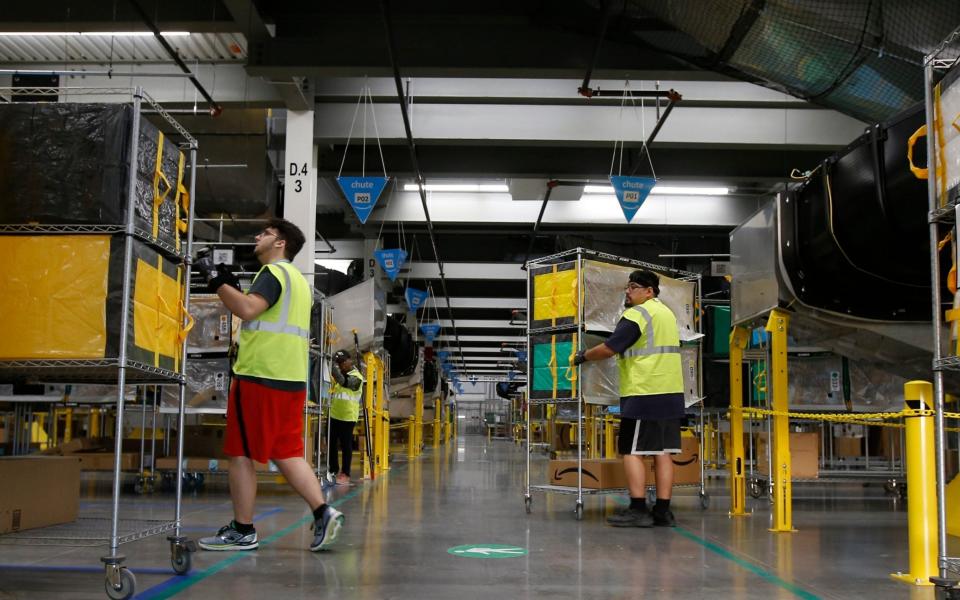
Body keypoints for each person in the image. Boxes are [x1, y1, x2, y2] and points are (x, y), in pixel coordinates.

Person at [196, 218, 344, 552]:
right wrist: (229, 285)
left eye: (265, 233)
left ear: (280, 244)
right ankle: (323, 511)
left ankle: (243, 529)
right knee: (287, 451)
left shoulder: (273, 274)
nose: (257, 236)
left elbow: (248, 310)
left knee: (241, 454)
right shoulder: (298, 282)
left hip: (260, 377)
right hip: (290, 379)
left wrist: (215, 280)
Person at [574, 269, 684, 528]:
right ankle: (662, 511)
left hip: (644, 392)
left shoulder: (637, 314)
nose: (628, 291)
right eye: (628, 286)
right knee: (663, 452)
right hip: (671, 392)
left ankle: (637, 509)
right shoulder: (667, 314)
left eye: (633, 287)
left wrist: (584, 355)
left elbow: (611, 347)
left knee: (632, 451)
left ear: (649, 291)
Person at [328, 349, 364, 485]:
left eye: (343, 362)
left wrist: (332, 365)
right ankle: (333, 469)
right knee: (331, 444)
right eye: (339, 363)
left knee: (346, 445)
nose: (342, 365)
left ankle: (345, 473)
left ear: (350, 361)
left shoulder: (357, 377)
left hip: (348, 417)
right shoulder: (338, 376)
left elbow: (344, 382)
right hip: (334, 415)